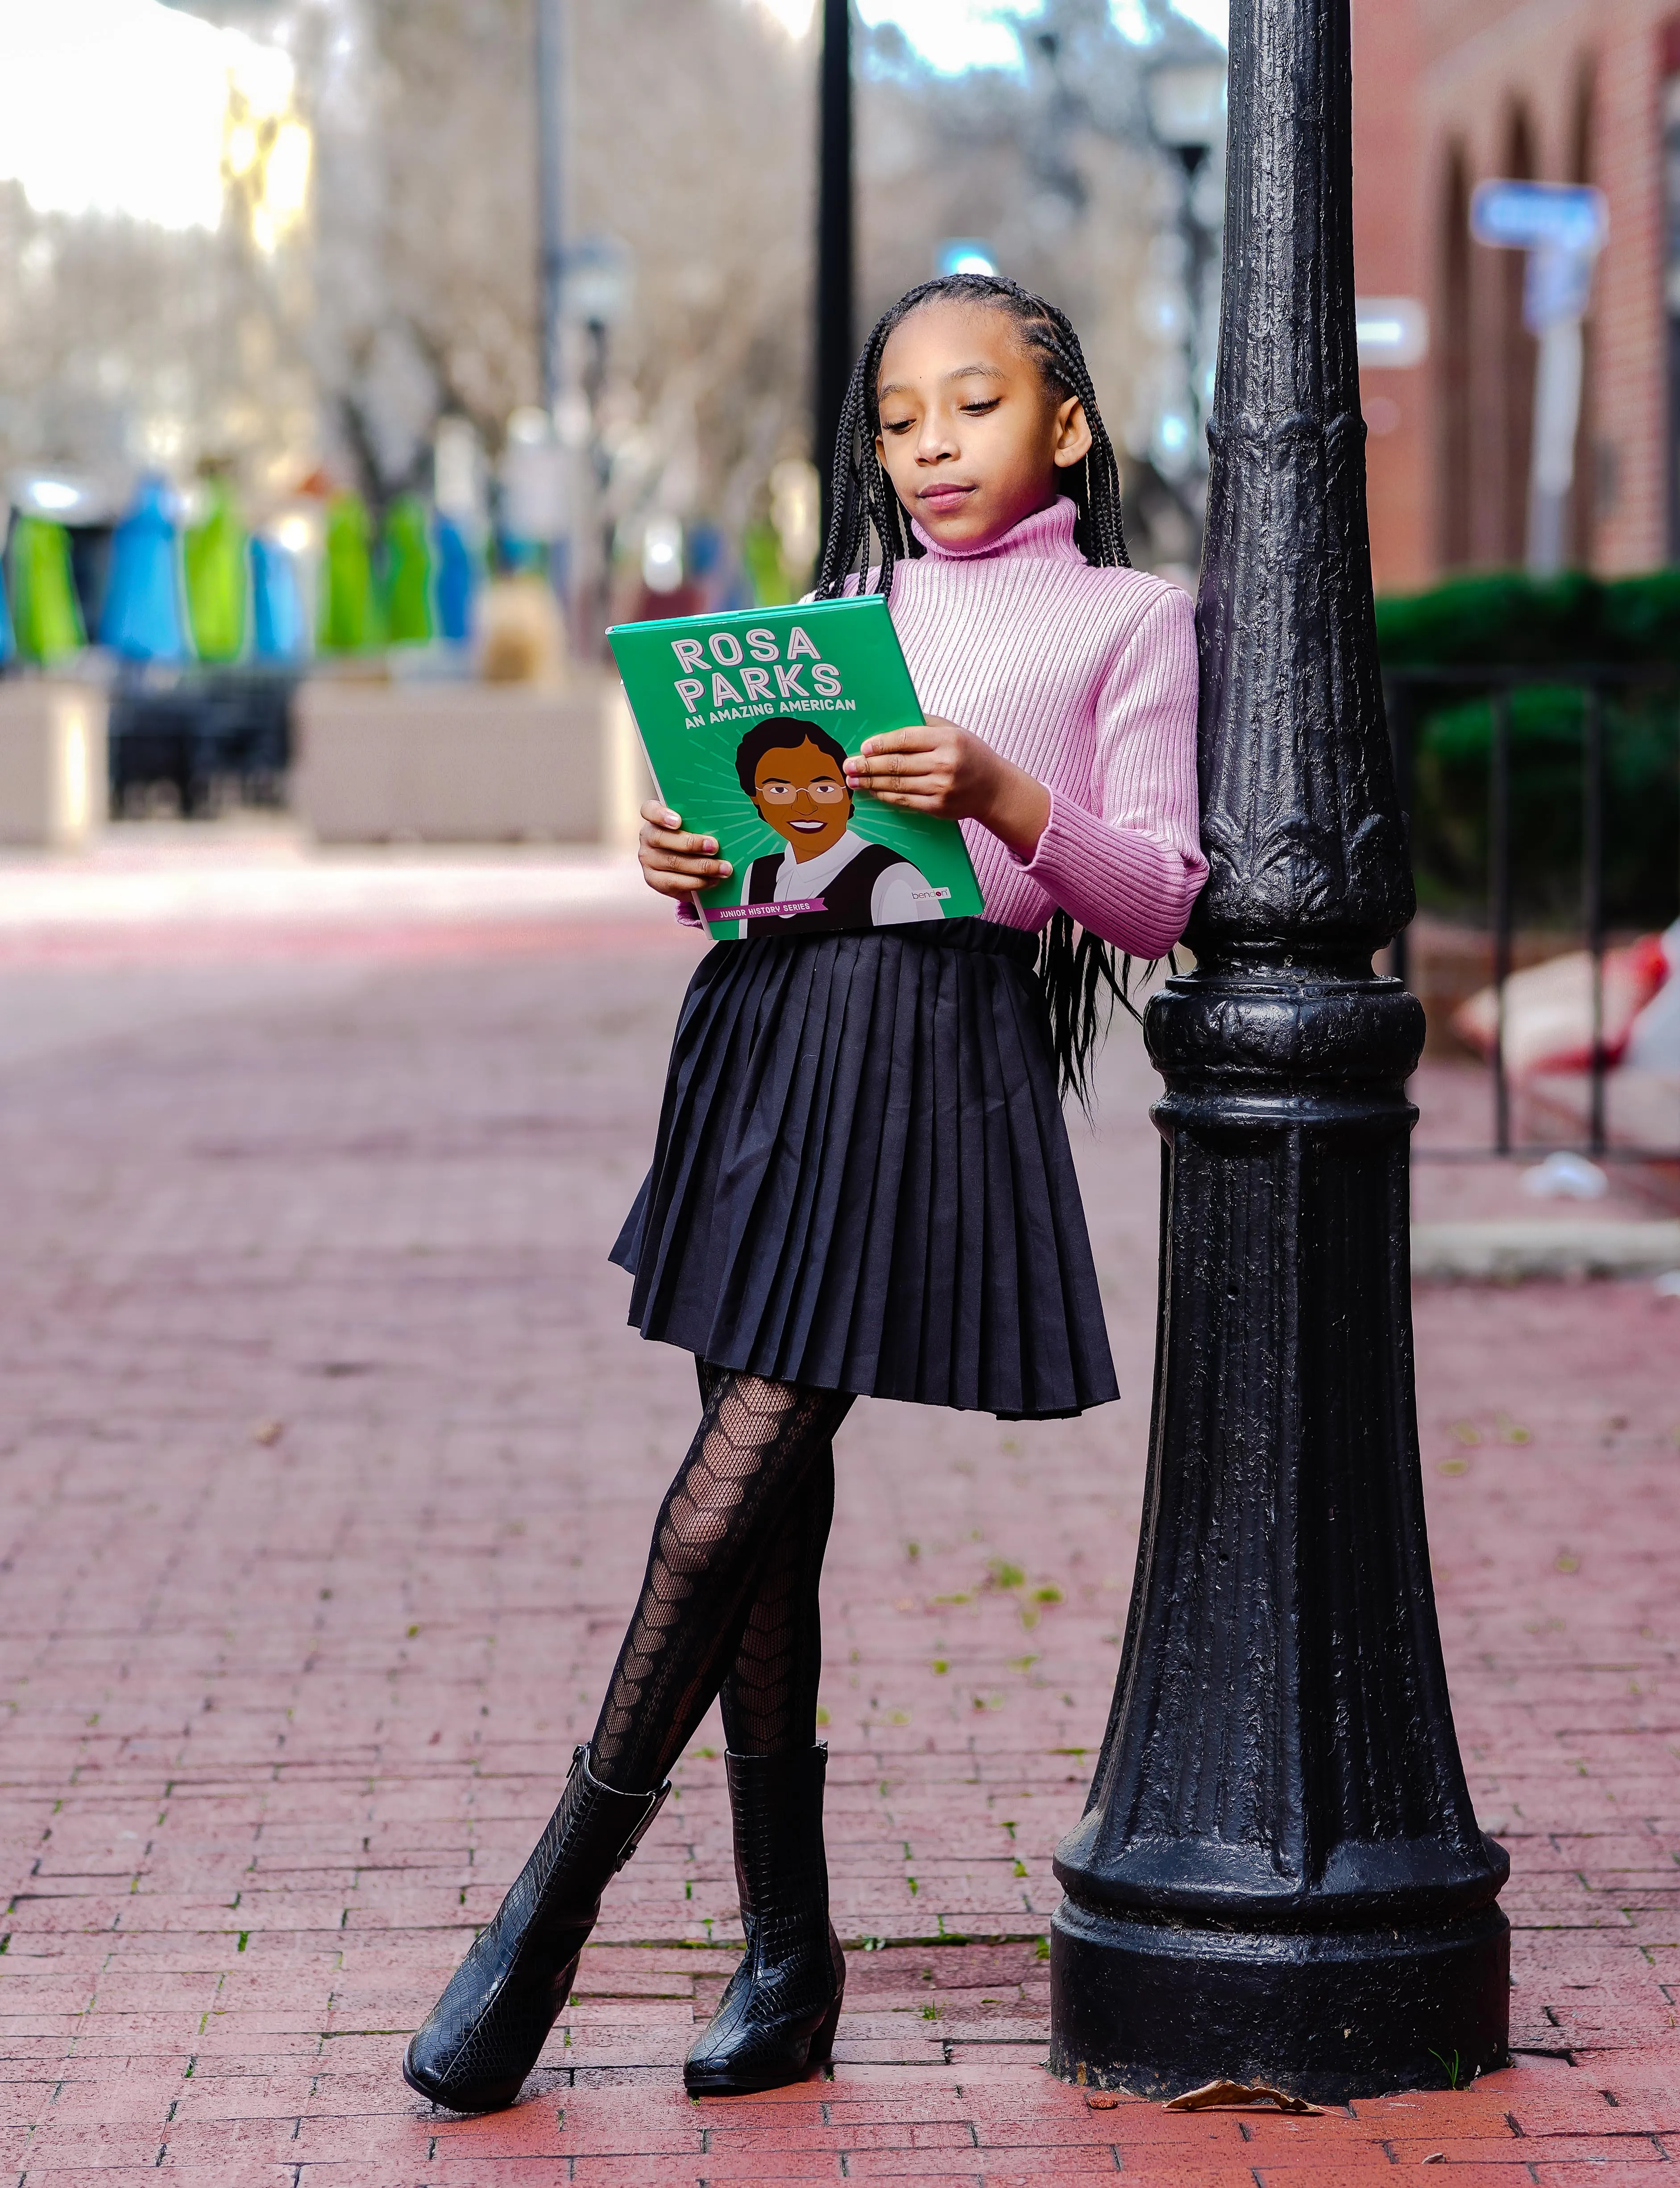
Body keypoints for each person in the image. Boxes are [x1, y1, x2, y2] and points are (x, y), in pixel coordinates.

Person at [403, 273, 1206, 2115]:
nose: (930, 446)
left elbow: (1160, 893)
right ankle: (787, 1957)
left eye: (974, 407)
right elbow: (771, 859)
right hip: (760, 1035)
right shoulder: (838, 617)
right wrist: (688, 861)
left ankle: (545, 1914)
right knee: (767, 1513)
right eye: (899, 418)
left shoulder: (1127, 621)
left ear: (1064, 425)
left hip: (923, 1057)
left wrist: (1010, 792)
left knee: (721, 1494)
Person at [734, 715, 944, 931]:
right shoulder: (758, 874)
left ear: (850, 794)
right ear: (755, 799)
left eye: (824, 789)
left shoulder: (893, 877)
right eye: (779, 791)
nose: (805, 808)